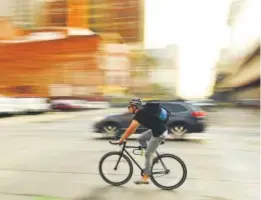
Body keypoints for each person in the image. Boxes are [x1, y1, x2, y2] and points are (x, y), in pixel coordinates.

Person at [111, 98, 169, 184]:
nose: (128, 109)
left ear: (134, 107)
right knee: (141, 138)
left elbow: (131, 129)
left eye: (129, 107)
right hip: (158, 130)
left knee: (148, 154)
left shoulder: (140, 113)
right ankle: (151, 157)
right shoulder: (142, 112)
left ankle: (145, 177)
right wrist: (124, 137)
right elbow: (132, 130)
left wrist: (121, 140)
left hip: (159, 134)